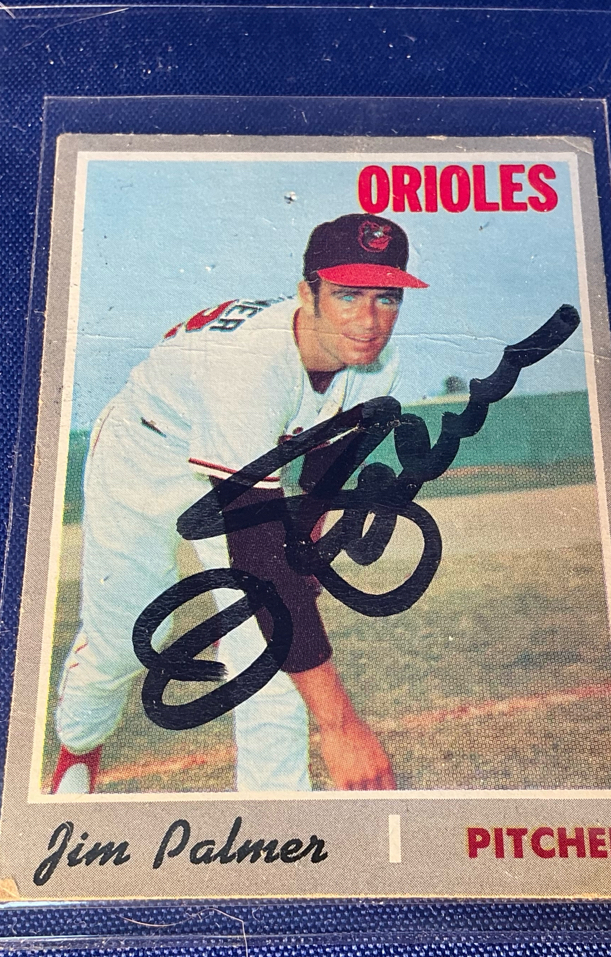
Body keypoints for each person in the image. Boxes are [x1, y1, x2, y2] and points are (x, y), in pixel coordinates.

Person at [49, 213, 428, 795]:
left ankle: (278, 815)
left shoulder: (378, 364)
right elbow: (259, 557)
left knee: (270, 652)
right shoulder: (251, 368)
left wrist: (303, 557)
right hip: (145, 451)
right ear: (308, 294)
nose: (370, 319)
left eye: (387, 298)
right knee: (127, 639)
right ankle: (78, 748)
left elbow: (325, 468)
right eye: (348, 294)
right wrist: (340, 725)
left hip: (242, 457)